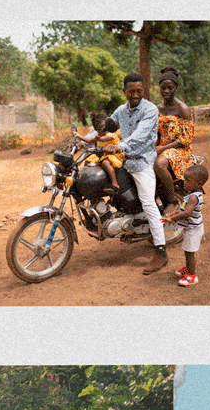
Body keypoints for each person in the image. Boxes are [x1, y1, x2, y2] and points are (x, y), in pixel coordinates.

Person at [104, 73, 168, 274]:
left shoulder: (150, 109)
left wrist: (120, 145)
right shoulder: (121, 110)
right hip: (125, 160)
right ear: (124, 91)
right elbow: (105, 126)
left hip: (142, 162)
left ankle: (161, 251)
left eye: (139, 91)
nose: (135, 94)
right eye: (131, 91)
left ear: (143, 90)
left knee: (148, 203)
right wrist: (84, 140)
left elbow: (141, 134)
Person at [154, 66, 195, 213]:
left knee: (159, 164)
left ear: (176, 88)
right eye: (163, 88)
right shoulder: (157, 109)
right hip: (162, 147)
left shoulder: (182, 109)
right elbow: (156, 133)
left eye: (170, 88)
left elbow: (186, 139)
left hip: (179, 149)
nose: (166, 91)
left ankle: (171, 201)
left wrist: (162, 149)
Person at [161, 164, 208, 286]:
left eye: (188, 181)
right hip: (190, 227)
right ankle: (187, 270)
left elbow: (187, 213)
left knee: (189, 253)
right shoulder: (190, 194)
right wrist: (173, 213)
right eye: (184, 179)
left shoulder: (193, 197)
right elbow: (183, 209)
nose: (184, 183)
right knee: (187, 251)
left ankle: (192, 276)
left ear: (199, 183)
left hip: (193, 229)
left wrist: (172, 219)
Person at [74, 112, 123, 194]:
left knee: (105, 163)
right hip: (102, 155)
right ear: (96, 129)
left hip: (114, 155)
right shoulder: (98, 135)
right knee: (87, 161)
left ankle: (114, 183)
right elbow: (89, 140)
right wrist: (78, 135)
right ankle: (86, 181)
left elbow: (104, 139)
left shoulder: (111, 134)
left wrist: (98, 139)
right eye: (101, 129)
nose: (104, 130)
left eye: (105, 127)